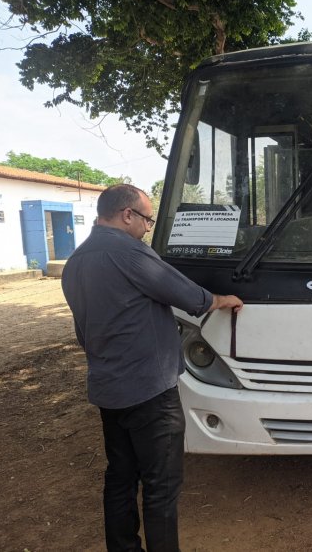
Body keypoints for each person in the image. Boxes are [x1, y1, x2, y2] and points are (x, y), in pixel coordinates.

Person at [61, 184, 242, 552]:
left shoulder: (76, 261)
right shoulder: (130, 252)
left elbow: (84, 333)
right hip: (150, 392)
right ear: (127, 215)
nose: (148, 227)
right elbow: (190, 296)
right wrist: (222, 299)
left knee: (120, 478)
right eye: (146, 219)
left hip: (109, 391)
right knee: (161, 485)